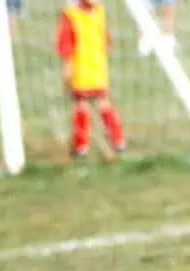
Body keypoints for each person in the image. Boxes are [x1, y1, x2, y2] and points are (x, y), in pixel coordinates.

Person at [56, 0, 125, 158]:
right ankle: (112, 141)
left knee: (94, 103)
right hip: (83, 67)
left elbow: (104, 39)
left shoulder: (96, 12)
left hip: (92, 67)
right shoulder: (72, 15)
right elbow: (67, 42)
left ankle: (104, 142)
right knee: (88, 104)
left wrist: (67, 67)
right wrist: (67, 65)